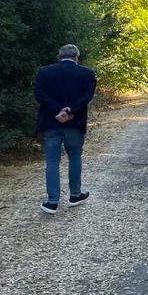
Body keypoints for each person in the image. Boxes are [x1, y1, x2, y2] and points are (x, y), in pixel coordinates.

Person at [33, 44, 97, 214]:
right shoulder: (87, 73)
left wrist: (57, 110)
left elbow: (39, 94)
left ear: (58, 56)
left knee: (52, 161)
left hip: (51, 122)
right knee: (75, 156)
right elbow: (87, 96)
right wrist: (70, 111)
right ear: (76, 56)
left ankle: (52, 202)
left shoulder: (44, 72)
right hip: (74, 122)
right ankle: (75, 194)